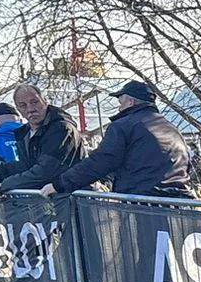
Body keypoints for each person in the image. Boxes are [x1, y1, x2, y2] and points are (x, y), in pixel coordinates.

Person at [39, 80, 191, 199]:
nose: (119, 109)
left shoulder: (124, 125)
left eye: (121, 103)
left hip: (143, 202)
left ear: (131, 102)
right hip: (178, 200)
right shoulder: (170, 127)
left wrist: (60, 184)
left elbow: (101, 161)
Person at [0, 84, 89, 194]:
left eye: (34, 102)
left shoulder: (61, 129)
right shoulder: (24, 134)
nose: (30, 109)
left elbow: (45, 171)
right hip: (50, 199)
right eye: (23, 105)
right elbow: (27, 165)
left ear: (45, 101)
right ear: (18, 110)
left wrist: (7, 184)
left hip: (70, 197)